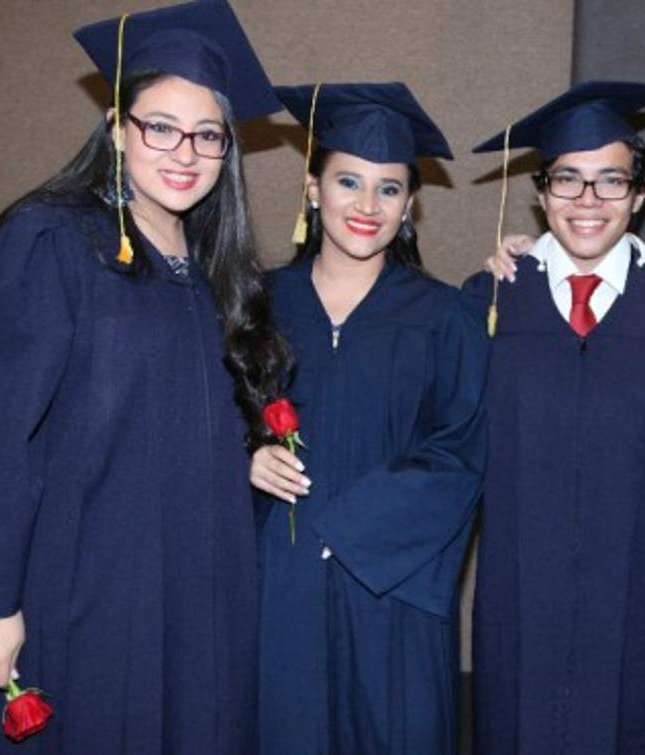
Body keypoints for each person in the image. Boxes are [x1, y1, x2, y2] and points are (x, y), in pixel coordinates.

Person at [0, 2, 290, 752]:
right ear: (118, 130)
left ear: (227, 150)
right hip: (79, 583)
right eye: (160, 126)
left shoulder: (216, 269)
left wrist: (243, 451)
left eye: (208, 134)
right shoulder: (51, 241)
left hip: (194, 585)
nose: (184, 151)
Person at [463, 81, 645, 754]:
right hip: (522, 589)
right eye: (568, 180)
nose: (588, 201)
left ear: (641, 193)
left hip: (640, 587)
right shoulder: (489, 302)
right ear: (540, 193)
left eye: (610, 181)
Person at [250, 82, 488, 754]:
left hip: (395, 584)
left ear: (411, 205)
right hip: (280, 577)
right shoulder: (255, 304)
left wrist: (357, 528)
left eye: (389, 188)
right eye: (348, 180)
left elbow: (464, 447)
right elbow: (201, 420)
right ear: (314, 188)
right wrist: (244, 455)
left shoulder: (446, 317)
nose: (367, 205)